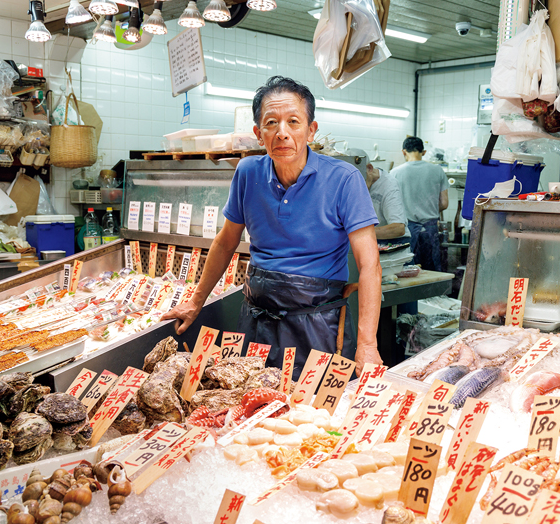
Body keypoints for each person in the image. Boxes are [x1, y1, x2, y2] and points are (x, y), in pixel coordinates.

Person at [162, 76, 383, 377]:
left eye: (294, 121)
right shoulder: (247, 172)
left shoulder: (344, 179)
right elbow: (226, 241)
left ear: (311, 130)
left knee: (312, 418)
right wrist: (195, 301)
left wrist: (367, 343)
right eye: (271, 123)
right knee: (248, 406)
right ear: (257, 133)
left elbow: (369, 264)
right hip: (256, 322)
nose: (282, 133)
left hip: (317, 325)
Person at [390, 136, 449, 272]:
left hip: (407, 230)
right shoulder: (438, 170)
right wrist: (429, 208)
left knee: (408, 270)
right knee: (432, 270)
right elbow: (444, 203)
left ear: (404, 152)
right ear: (424, 152)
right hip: (430, 229)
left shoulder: (394, 173)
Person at [364, 162, 410, 245]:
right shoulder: (366, 180)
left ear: (370, 169)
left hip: (394, 241)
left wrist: (360, 233)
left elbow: (398, 228)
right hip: (373, 238)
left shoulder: (389, 185)